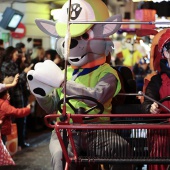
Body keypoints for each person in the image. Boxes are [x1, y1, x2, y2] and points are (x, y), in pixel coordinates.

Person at [27, 0, 133, 170]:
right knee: (59, 157)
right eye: (69, 38)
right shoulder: (64, 71)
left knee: (120, 149)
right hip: (67, 130)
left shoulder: (107, 73)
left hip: (98, 130)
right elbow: (51, 106)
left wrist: (63, 83)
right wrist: (41, 94)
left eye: (84, 36)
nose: (73, 44)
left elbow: (97, 97)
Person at [141, 28, 170, 170]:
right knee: (160, 146)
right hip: (163, 129)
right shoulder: (157, 80)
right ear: (164, 53)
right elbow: (147, 101)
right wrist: (151, 108)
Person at [0, 46, 32, 149]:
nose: (18, 56)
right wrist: (25, 72)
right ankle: (18, 143)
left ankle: (16, 143)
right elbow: (17, 81)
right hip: (15, 95)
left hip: (13, 94)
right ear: (10, 54)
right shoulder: (8, 65)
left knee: (15, 119)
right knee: (18, 118)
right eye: (16, 54)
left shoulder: (10, 64)